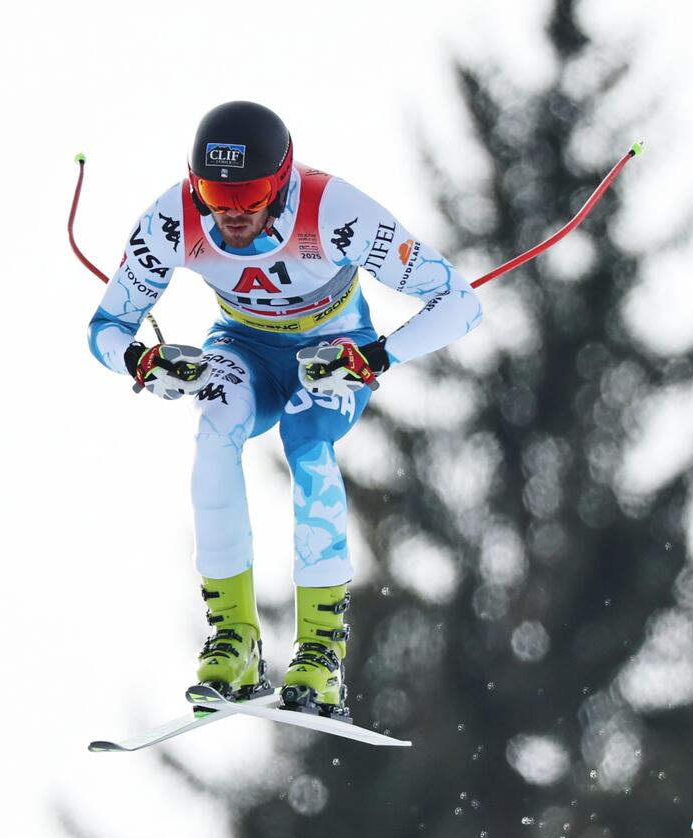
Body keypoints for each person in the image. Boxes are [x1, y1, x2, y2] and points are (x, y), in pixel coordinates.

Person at [85, 100, 482, 720]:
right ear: (195, 184)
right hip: (243, 348)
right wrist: (141, 362)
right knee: (214, 434)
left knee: (307, 444)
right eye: (217, 193)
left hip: (329, 351)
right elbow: (106, 327)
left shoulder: (334, 212)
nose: (233, 212)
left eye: (252, 194)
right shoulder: (174, 218)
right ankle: (234, 642)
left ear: (284, 179)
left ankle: (321, 652)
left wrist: (375, 356)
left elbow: (458, 302)